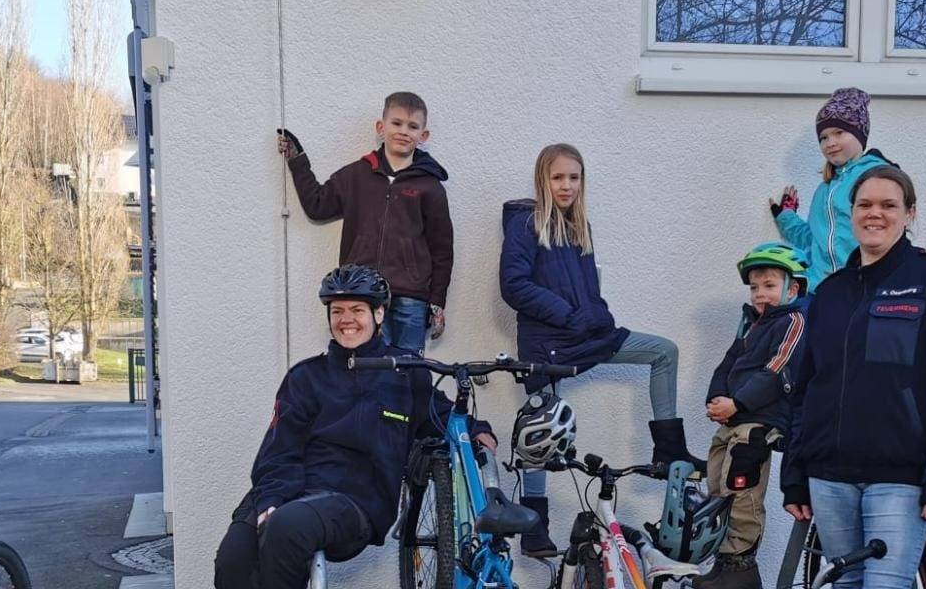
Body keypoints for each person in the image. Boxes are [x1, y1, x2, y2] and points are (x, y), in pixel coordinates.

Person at [214, 264, 495, 589]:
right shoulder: (305, 377)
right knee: (232, 559)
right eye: (338, 311)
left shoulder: (406, 373)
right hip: (287, 487)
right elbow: (278, 452)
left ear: (378, 314)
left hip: (353, 500)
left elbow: (440, 416)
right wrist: (271, 501)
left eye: (357, 310)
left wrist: (475, 430)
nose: (346, 319)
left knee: (286, 528)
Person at [780, 166, 926, 589]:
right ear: (852, 213)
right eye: (865, 205)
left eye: (889, 205)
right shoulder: (830, 293)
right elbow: (805, 391)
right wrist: (794, 476)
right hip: (829, 477)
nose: (875, 214)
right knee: (846, 584)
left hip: (900, 478)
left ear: (909, 214)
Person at [499, 142, 699, 556]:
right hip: (547, 343)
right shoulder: (526, 224)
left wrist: (599, 315)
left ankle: (669, 448)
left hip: (586, 334)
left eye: (574, 177)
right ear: (543, 179)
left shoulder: (579, 227)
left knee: (663, 351)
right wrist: (570, 316)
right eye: (558, 177)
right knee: (541, 428)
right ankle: (535, 527)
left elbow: (588, 289)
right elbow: (514, 285)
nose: (566, 185)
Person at [278, 91, 453, 353]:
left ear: (423, 136)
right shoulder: (357, 175)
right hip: (361, 295)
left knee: (410, 373)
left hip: (411, 299)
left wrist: (437, 301)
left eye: (413, 126)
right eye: (396, 123)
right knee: (365, 371)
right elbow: (317, 205)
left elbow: (442, 249)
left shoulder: (431, 186)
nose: (404, 131)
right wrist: (297, 160)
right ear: (381, 127)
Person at [695, 243, 809, 589]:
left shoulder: (792, 321)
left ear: (793, 288)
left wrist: (738, 403)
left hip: (759, 422)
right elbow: (728, 363)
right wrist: (716, 397)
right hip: (734, 419)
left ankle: (741, 564)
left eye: (770, 286)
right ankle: (723, 560)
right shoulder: (751, 325)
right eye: (755, 287)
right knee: (718, 484)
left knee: (742, 489)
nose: (761, 294)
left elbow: (776, 371)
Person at [770, 88, 892, 292]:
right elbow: (813, 239)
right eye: (823, 138)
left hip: (862, 290)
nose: (830, 143)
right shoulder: (823, 190)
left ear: (859, 134)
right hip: (819, 290)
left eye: (839, 133)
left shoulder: (875, 177)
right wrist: (786, 217)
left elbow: (890, 233)